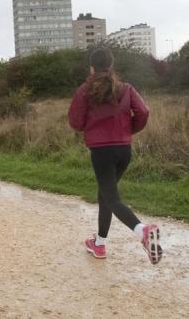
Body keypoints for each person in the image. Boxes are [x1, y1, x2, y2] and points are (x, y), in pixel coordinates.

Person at [68, 47, 162, 265]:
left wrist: (88, 126)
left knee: (111, 198)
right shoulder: (125, 88)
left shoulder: (85, 90)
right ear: (110, 66)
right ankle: (99, 244)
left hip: (102, 151)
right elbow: (144, 112)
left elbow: (75, 121)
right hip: (124, 149)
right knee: (105, 195)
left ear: (92, 67)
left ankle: (143, 231)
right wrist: (129, 130)